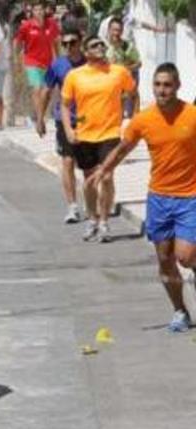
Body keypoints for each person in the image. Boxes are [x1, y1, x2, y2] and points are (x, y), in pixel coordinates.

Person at [87, 64, 196, 331]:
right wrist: (104, 169)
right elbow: (123, 149)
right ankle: (180, 311)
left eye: (167, 85)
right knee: (164, 259)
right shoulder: (143, 120)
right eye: (158, 85)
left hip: (190, 197)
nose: (162, 90)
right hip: (158, 197)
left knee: (185, 255)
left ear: (178, 86)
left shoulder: (192, 116)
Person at [61, 34, 136, 243]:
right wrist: (68, 129)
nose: (100, 47)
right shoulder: (75, 76)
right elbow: (65, 105)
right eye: (94, 45)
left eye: (102, 44)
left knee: (107, 176)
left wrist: (133, 120)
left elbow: (133, 93)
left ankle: (104, 222)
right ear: (86, 52)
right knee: (90, 181)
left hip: (110, 133)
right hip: (85, 135)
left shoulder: (118, 72)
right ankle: (92, 219)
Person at [37, 28, 85, 224]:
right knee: (67, 162)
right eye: (64, 44)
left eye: (72, 43)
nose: (68, 47)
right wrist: (40, 118)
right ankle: (72, 206)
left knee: (90, 167)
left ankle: (91, 203)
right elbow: (46, 91)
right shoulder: (57, 65)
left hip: (90, 121)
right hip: (64, 120)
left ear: (80, 42)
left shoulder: (90, 63)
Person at [14, 1, 59, 127]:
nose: (39, 12)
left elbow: (56, 43)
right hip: (32, 61)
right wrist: (17, 59)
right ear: (32, 12)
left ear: (45, 10)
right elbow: (17, 42)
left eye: (41, 9)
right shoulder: (26, 26)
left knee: (47, 92)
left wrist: (58, 59)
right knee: (37, 89)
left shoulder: (52, 24)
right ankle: (40, 120)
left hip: (48, 62)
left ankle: (40, 116)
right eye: (36, 10)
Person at [106, 17, 141, 119]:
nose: (116, 33)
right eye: (114, 30)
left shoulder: (127, 46)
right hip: (109, 86)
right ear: (109, 30)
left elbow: (138, 63)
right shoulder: (103, 46)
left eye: (119, 30)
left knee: (127, 115)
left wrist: (125, 68)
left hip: (125, 86)